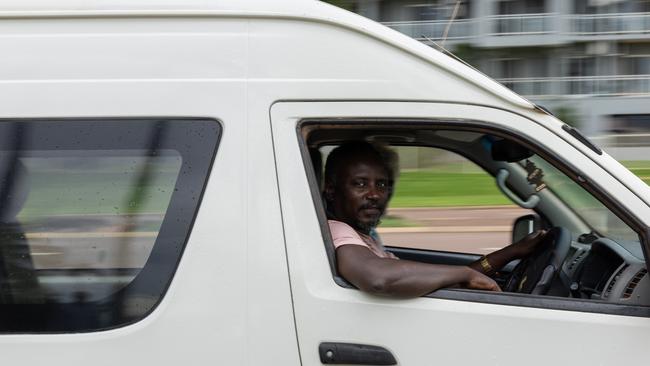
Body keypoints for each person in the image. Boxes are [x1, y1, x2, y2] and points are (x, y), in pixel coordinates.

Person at [323, 141, 548, 298]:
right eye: (360, 184)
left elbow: (440, 278)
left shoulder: (364, 237)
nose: (374, 194)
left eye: (381, 184)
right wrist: (465, 274)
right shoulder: (337, 231)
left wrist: (512, 252)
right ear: (332, 191)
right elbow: (379, 278)